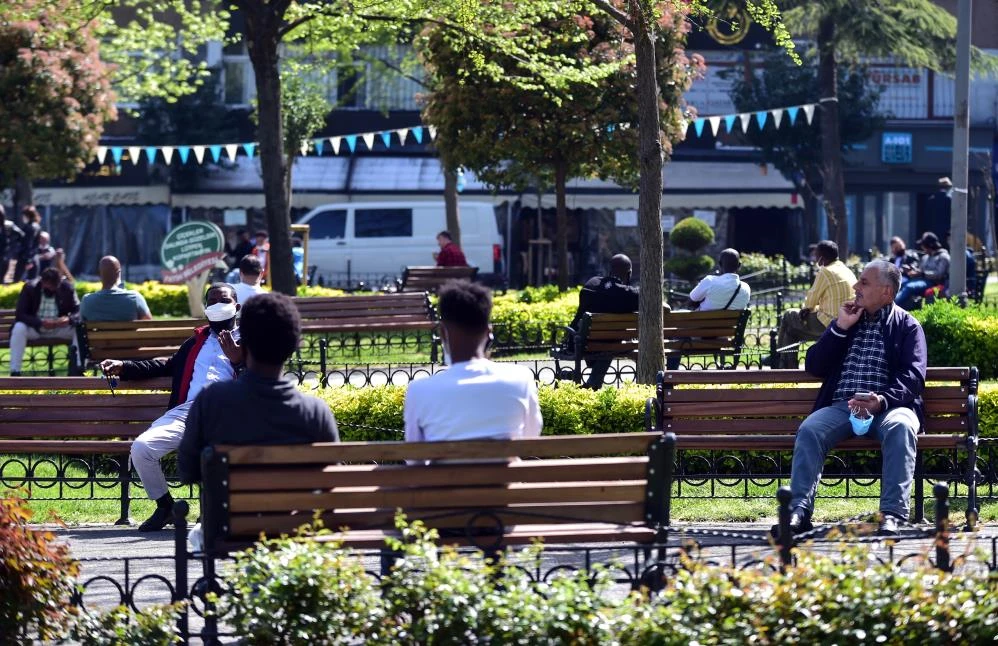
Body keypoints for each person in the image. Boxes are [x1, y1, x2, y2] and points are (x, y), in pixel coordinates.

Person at [779, 260, 925, 538]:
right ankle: (799, 512)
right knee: (810, 429)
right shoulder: (847, 320)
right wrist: (840, 327)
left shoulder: (907, 325)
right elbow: (815, 365)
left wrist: (881, 400)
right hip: (842, 407)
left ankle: (892, 515)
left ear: (886, 291)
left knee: (902, 427)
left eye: (864, 282)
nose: (856, 286)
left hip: (889, 407)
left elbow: (913, 377)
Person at [99, 283, 243, 531]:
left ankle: (211, 511)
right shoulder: (195, 342)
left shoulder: (250, 342)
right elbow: (166, 365)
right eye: (212, 302)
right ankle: (165, 507)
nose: (218, 306)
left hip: (225, 414)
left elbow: (260, 381)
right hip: (186, 413)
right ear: (206, 309)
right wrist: (124, 366)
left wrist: (238, 361)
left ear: (236, 307)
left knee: (211, 449)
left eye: (224, 301)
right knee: (142, 448)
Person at [178, 292, 338, 484]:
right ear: (292, 347)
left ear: (244, 343)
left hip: (228, 504)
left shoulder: (211, 401)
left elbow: (188, 472)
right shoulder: (315, 413)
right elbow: (330, 480)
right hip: (293, 504)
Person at [404, 280, 541, 442]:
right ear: (489, 332)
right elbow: (531, 436)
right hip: (503, 460)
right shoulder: (520, 380)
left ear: (442, 333)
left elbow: (414, 450)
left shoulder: (419, 391)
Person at [773, 240, 856, 369]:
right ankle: (783, 364)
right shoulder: (846, 270)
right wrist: (812, 308)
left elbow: (810, 301)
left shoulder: (825, 271)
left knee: (788, 315)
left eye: (816, 255)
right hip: (847, 322)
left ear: (822, 257)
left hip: (829, 323)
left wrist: (807, 308)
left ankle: (778, 359)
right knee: (791, 332)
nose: (814, 259)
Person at [568, 254, 641, 389]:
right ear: (629, 273)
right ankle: (593, 383)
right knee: (611, 342)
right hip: (609, 344)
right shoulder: (629, 295)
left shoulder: (591, 284)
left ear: (609, 270)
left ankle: (592, 384)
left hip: (579, 342)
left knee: (608, 344)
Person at [9, 267, 79, 376]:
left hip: (59, 328)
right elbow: (20, 314)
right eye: (49, 286)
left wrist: (69, 319)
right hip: (35, 329)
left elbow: (78, 311)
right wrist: (40, 323)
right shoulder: (30, 288)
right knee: (19, 327)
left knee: (79, 330)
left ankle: (77, 369)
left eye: (55, 287)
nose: (51, 289)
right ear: (42, 281)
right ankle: (15, 371)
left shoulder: (67, 288)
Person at [80, 256, 153, 322]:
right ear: (119, 274)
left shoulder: (87, 301)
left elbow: (81, 325)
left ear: (99, 274)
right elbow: (148, 324)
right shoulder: (135, 298)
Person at [895, 232, 950, 309]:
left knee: (909, 287)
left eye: (923, 245)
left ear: (929, 245)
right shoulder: (925, 257)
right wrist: (911, 269)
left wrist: (922, 273)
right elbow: (919, 269)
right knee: (902, 284)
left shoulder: (943, 257)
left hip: (934, 283)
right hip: (922, 281)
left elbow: (939, 274)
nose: (922, 248)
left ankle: (891, 305)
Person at [686, 248, 751, 311]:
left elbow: (690, 302)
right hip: (734, 319)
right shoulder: (746, 288)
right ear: (739, 266)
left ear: (720, 264)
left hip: (705, 319)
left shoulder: (710, 281)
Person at [13, 206, 42, 282]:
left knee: (18, 281)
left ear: (27, 216)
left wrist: (28, 260)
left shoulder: (30, 227)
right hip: (34, 257)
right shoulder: (37, 226)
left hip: (26, 259)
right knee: (32, 281)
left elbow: (29, 244)